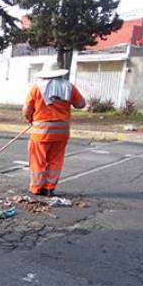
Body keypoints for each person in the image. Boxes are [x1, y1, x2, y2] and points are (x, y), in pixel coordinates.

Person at [23, 61, 86, 196]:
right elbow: (81, 104)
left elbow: (27, 109)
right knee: (56, 159)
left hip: (41, 131)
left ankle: (36, 188)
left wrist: (30, 120)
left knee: (38, 159)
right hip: (62, 131)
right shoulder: (69, 87)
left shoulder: (37, 88)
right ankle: (49, 187)